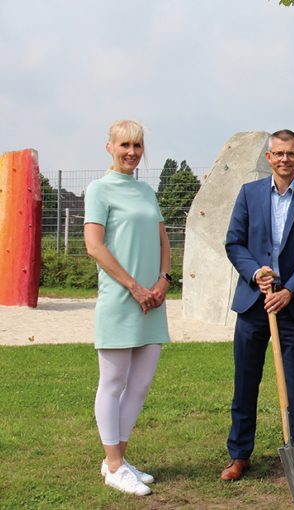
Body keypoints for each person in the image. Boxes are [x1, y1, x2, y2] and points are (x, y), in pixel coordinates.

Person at [220, 129, 294, 485]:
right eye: (278, 153)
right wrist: (255, 274)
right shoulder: (249, 195)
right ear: (269, 157)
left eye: (291, 154)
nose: (284, 159)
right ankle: (240, 454)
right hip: (254, 304)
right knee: (245, 381)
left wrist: (290, 291)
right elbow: (234, 242)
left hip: (293, 308)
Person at [84, 119, 172, 496]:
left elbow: (163, 240)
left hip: (153, 301)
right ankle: (115, 465)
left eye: (137, 146)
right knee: (114, 382)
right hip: (122, 300)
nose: (131, 152)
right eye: (124, 146)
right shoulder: (99, 190)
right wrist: (135, 287)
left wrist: (163, 281)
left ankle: (117, 458)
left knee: (140, 384)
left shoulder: (147, 192)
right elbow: (95, 246)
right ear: (110, 148)